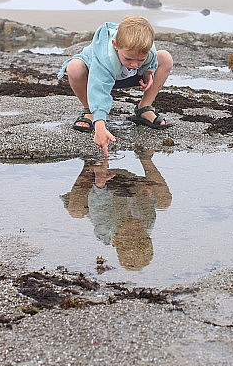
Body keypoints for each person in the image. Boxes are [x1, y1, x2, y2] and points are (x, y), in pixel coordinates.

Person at [57, 16, 173, 156]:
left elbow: (152, 60)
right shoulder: (106, 56)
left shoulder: (146, 48)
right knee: (74, 67)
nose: (134, 64)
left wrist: (148, 72)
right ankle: (90, 111)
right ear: (115, 45)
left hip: (126, 76)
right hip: (94, 76)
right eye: (128, 58)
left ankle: (144, 108)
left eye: (140, 60)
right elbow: (99, 89)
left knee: (165, 58)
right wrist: (100, 125)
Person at [61, 151, 172, 270]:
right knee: (164, 202)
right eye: (138, 231)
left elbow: (98, 202)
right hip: (129, 184)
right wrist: (148, 193)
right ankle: (145, 157)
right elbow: (149, 197)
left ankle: (90, 164)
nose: (134, 226)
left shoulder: (104, 229)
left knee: (76, 211)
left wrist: (100, 184)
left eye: (129, 233)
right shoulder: (147, 223)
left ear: (115, 240)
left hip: (98, 184)